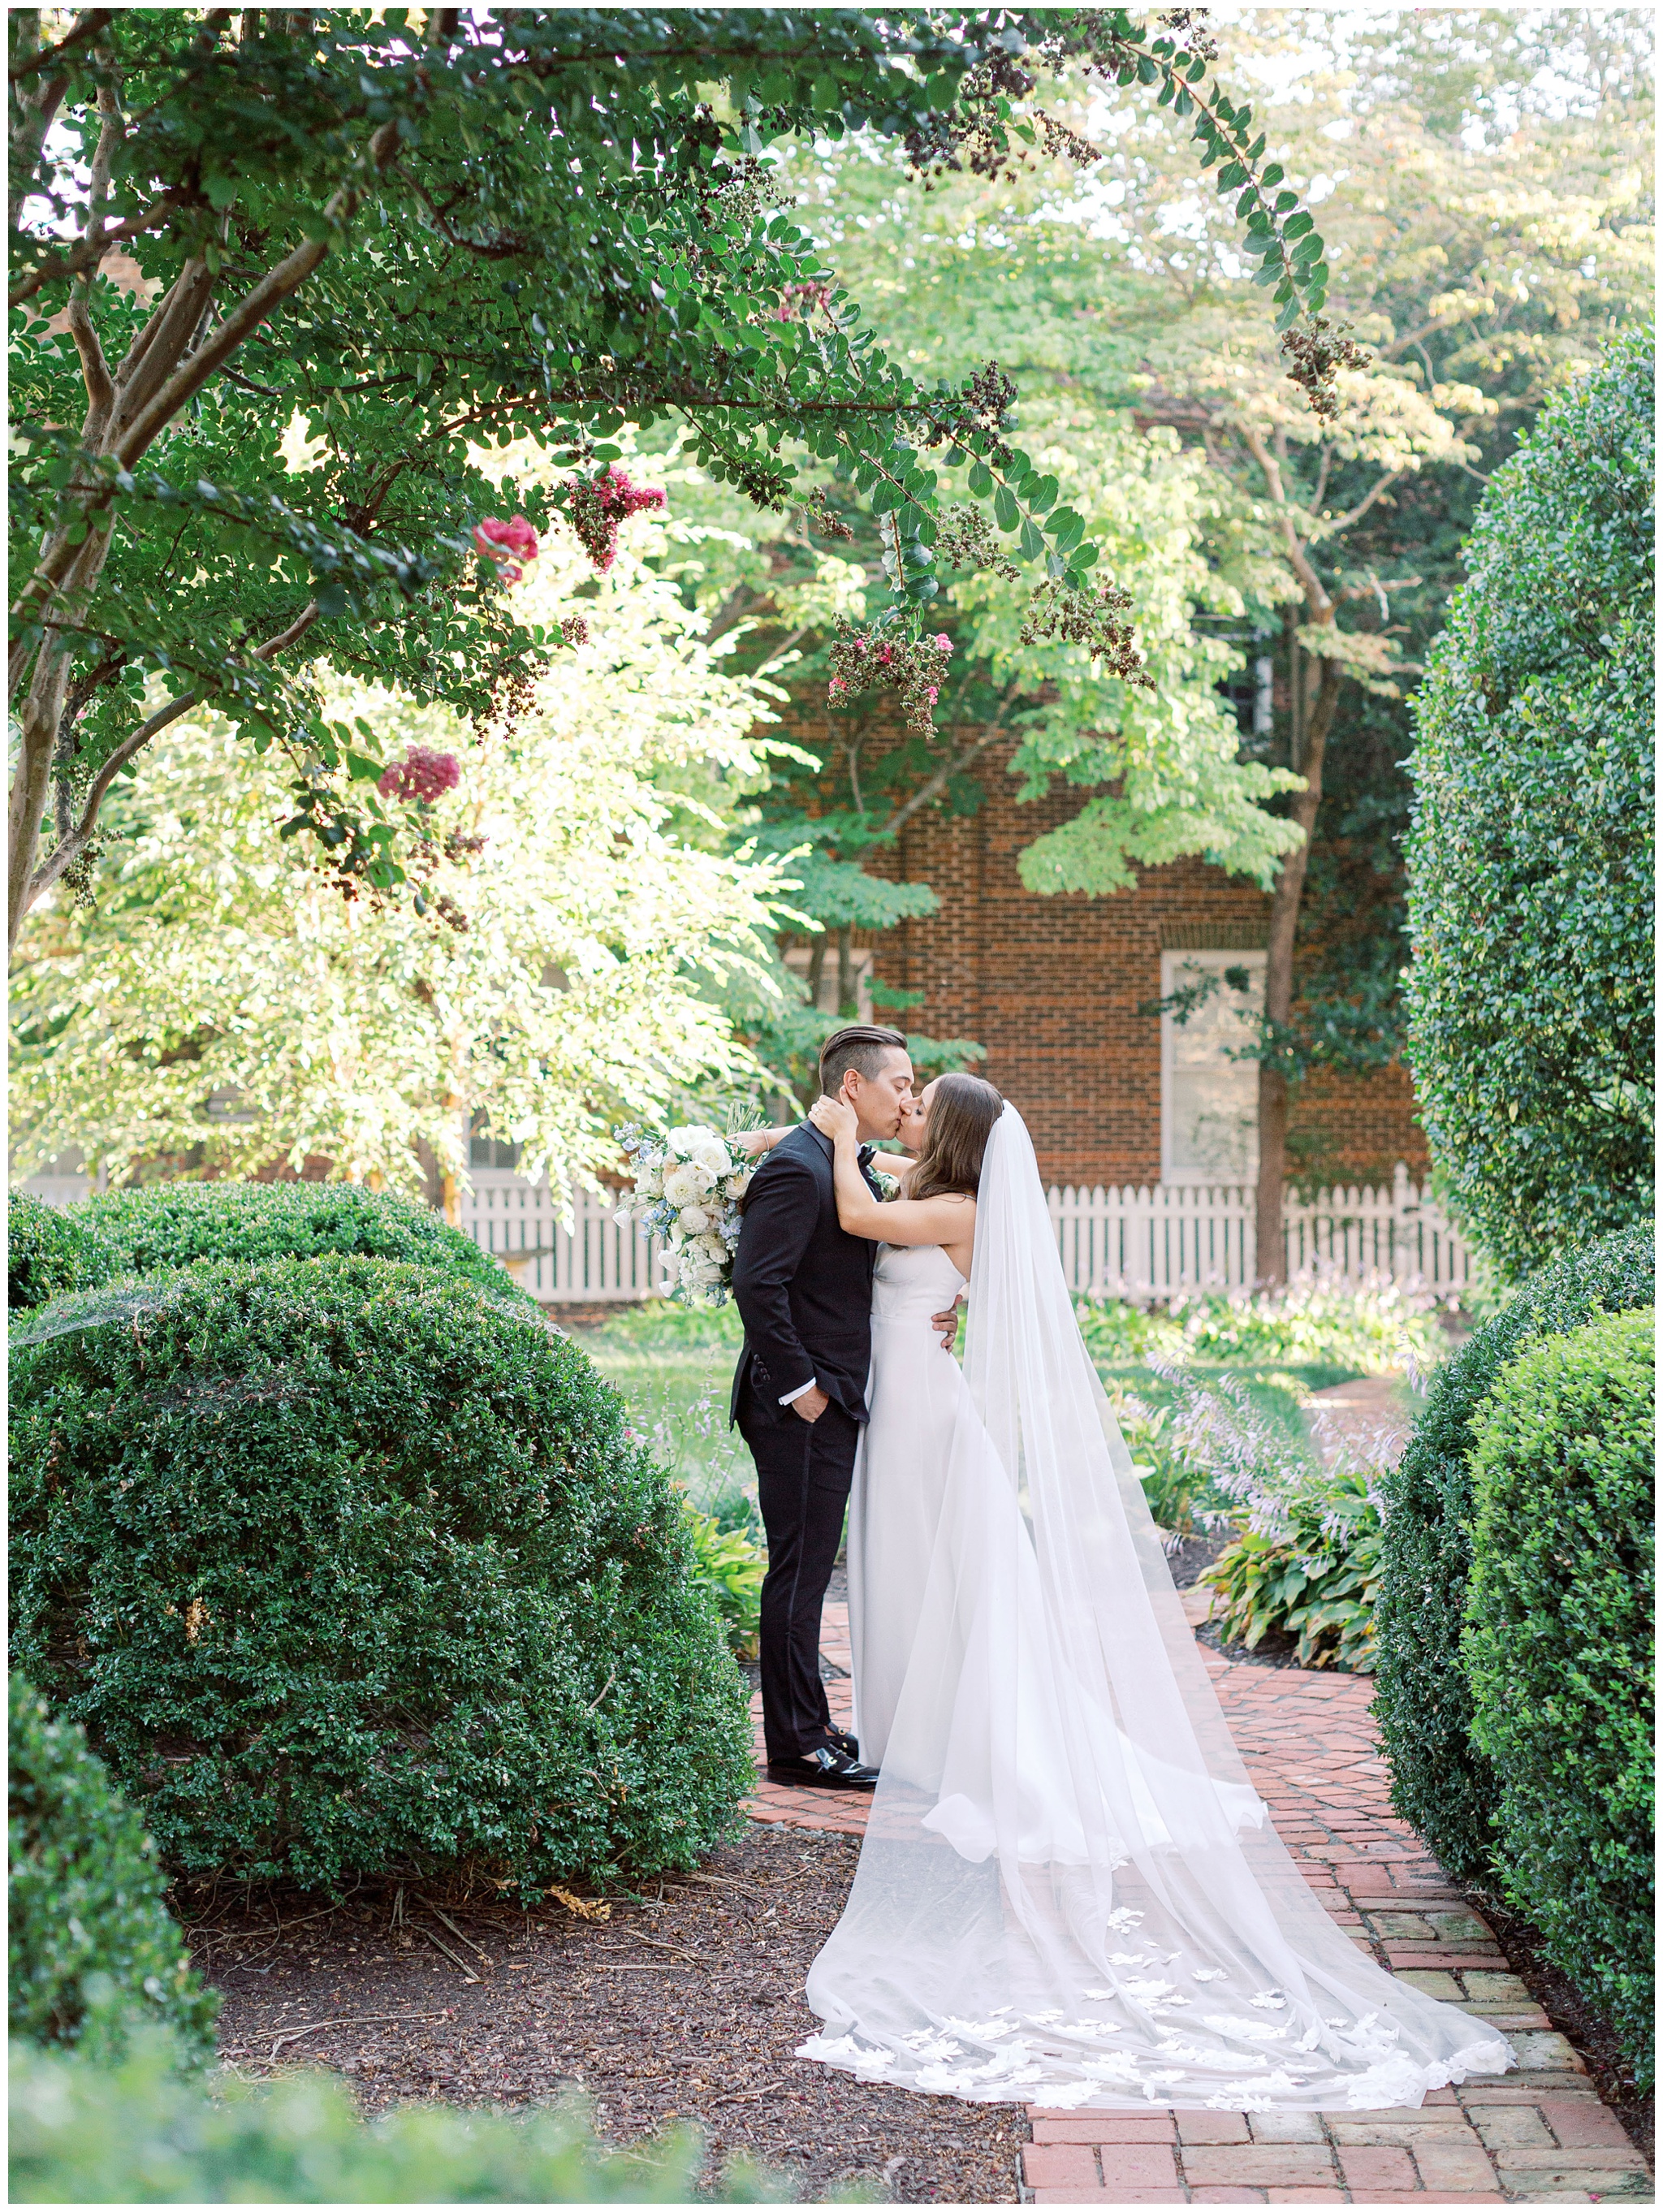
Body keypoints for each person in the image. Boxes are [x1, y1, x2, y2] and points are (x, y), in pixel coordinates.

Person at [788, 1084, 1516, 2115]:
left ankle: (975, 1741)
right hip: (906, 1401)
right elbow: (873, 1195)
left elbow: (861, 1215)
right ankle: (937, 1727)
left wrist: (832, 1130)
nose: (907, 1115)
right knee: (937, 1581)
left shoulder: (958, 1210)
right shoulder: (940, 1187)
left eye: (922, 1108)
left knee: (973, 1590)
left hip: (928, 1413)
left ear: (947, 1137)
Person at [728, 1025, 956, 1791]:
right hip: (799, 1405)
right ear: (853, 1087)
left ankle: (816, 1728)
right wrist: (805, 1391)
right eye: (900, 1084)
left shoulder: (840, 1159)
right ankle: (797, 1748)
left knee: (808, 1572)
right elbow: (758, 1288)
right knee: (797, 1575)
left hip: (835, 1399)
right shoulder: (798, 1169)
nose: (910, 1097)